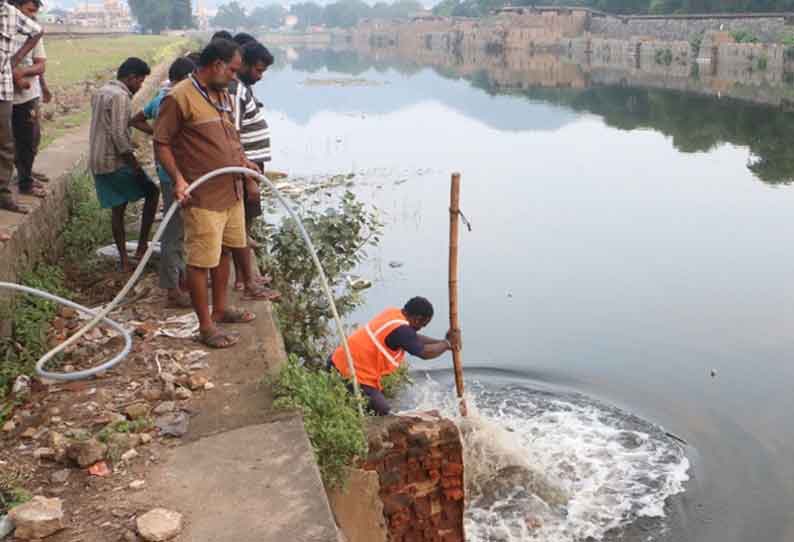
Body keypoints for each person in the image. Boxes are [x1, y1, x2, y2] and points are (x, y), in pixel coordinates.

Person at [154, 39, 262, 349]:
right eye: (231, 70)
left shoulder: (223, 95)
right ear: (216, 65)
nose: (234, 76)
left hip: (231, 191)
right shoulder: (179, 97)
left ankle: (221, 308)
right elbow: (161, 142)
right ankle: (206, 326)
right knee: (200, 262)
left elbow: (232, 139)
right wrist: (177, 180)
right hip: (203, 196)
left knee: (226, 251)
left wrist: (246, 168)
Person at [329, 297, 459, 416]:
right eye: (422, 324)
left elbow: (414, 338)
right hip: (351, 374)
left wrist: (442, 343)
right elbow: (424, 353)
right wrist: (447, 344)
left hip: (337, 362)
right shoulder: (402, 330)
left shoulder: (393, 315)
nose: (420, 328)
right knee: (387, 416)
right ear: (417, 318)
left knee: (380, 410)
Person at [88, 57, 160, 272]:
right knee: (153, 192)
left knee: (118, 209)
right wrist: (135, 166)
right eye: (140, 81)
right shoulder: (120, 97)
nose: (140, 87)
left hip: (97, 159)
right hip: (113, 161)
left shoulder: (101, 92)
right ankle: (140, 247)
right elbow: (119, 136)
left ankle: (124, 260)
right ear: (131, 77)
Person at [137, 57, 195, 308]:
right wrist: (162, 137)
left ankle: (180, 279)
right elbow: (138, 121)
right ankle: (172, 289)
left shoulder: (163, 99)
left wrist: (158, 135)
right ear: (182, 79)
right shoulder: (173, 100)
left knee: (181, 231)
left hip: (173, 175)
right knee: (174, 233)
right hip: (174, 176)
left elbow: (138, 119)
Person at [228, 40, 278, 298]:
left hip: (248, 170)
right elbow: (234, 137)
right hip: (244, 171)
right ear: (243, 64)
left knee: (243, 227)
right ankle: (247, 282)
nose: (259, 76)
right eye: (257, 70)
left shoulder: (241, 88)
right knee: (240, 228)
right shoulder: (235, 91)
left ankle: (248, 279)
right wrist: (249, 180)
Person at [0, 0, 42, 224]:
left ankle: (4, 196)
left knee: (7, 146)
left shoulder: (10, 13)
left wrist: (14, 60)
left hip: (4, 89)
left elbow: (37, 32)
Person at [11, 0, 46, 200]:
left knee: (30, 141)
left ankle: (25, 179)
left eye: (34, 12)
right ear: (15, 7)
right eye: (29, 10)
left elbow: (41, 66)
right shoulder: (5, 30)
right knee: (9, 145)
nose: (32, 15)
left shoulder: (33, 32)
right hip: (5, 96)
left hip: (27, 97)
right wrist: (15, 76)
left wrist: (20, 72)